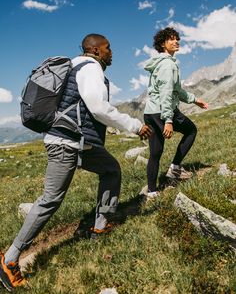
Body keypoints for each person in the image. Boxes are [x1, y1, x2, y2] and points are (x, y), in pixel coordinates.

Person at [0, 33, 152, 292]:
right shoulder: (90, 67)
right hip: (65, 144)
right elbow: (97, 106)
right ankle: (10, 259)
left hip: (79, 143)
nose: (111, 52)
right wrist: (135, 126)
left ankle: (100, 226)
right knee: (51, 199)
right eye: (108, 48)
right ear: (94, 50)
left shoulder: (77, 66)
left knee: (111, 169)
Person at [143, 27, 208, 199]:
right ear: (163, 44)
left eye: (177, 38)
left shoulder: (158, 63)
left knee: (155, 152)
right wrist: (169, 120)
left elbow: (176, 90)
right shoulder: (168, 65)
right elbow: (166, 92)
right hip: (163, 111)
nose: (176, 41)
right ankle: (175, 168)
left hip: (150, 112)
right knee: (191, 130)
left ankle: (151, 191)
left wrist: (195, 99)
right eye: (171, 39)